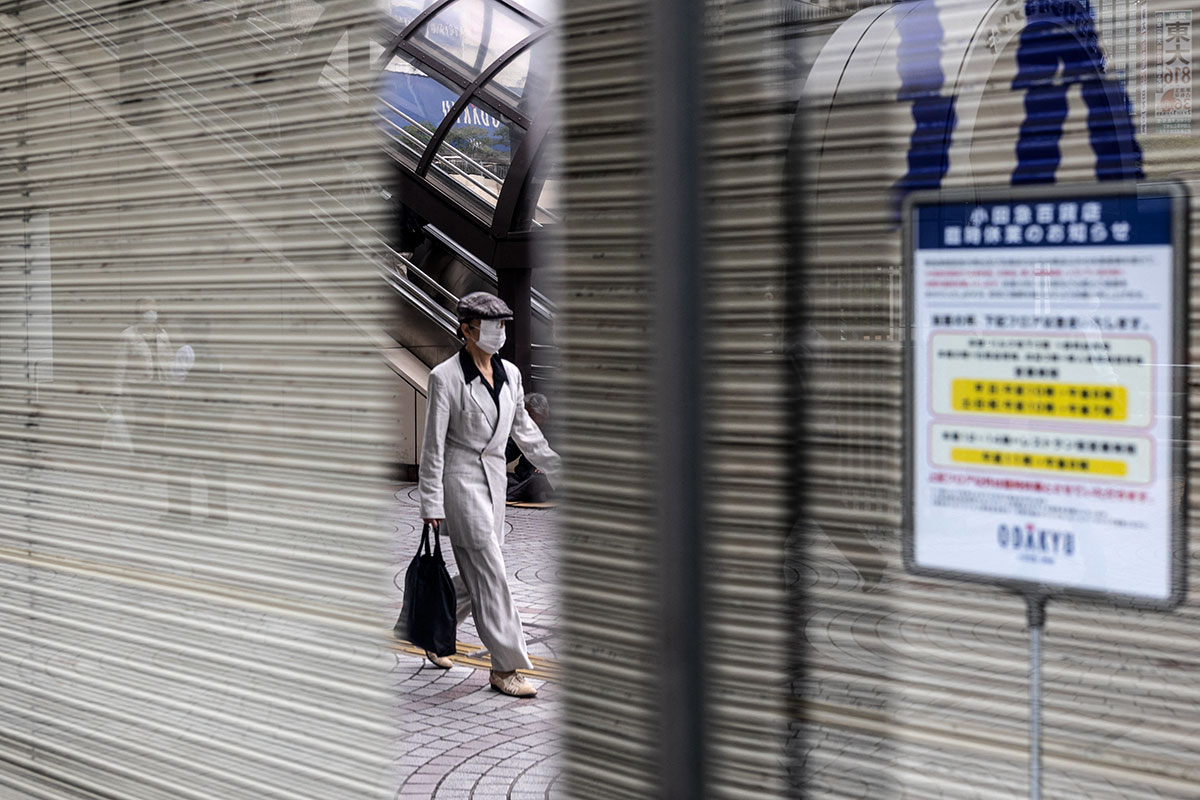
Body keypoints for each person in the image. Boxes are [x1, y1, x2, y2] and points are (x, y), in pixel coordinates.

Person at [417, 291, 560, 698]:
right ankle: (504, 667)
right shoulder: (444, 377)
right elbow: (433, 447)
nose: (500, 332)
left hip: (494, 485)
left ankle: (433, 629)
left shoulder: (510, 374)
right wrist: (430, 503)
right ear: (467, 329)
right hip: (461, 485)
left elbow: (525, 432)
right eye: (492, 325)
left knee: (478, 573)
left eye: (502, 325)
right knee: (492, 573)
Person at [505, 393, 555, 503]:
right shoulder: (523, 429)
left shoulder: (554, 430)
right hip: (522, 478)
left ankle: (511, 493)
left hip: (540, 478)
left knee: (538, 481)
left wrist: (545, 466)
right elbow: (508, 451)